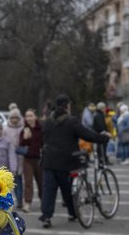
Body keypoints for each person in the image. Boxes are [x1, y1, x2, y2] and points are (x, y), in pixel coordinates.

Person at [39, 94, 110, 228]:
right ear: (67, 106)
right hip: (67, 161)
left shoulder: (48, 121)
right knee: (68, 189)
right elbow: (87, 135)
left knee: (49, 190)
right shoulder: (72, 121)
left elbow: (43, 139)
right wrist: (103, 138)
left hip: (48, 161)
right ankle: (73, 213)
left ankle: (46, 217)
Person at [19, 108, 44, 213]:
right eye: (27, 116)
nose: (28, 118)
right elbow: (21, 145)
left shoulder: (41, 129)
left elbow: (44, 142)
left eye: (31, 115)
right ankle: (27, 203)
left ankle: (44, 201)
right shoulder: (24, 129)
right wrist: (25, 138)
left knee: (41, 182)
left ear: (35, 117)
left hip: (39, 158)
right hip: (28, 159)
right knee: (28, 182)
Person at [3, 109, 26, 209]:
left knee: (19, 179)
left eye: (16, 117)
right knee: (13, 180)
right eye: (12, 117)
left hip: (21, 157)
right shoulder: (5, 129)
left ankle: (20, 199)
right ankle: (10, 199)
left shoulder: (23, 128)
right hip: (9, 157)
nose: (14, 120)